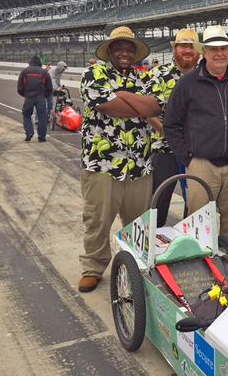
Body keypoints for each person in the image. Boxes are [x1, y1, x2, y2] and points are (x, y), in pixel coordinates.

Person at [78, 26, 163, 293]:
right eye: (119, 48)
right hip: (102, 163)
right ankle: (93, 267)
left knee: (138, 222)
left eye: (129, 49)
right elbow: (106, 105)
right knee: (98, 219)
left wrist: (122, 96)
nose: (125, 53)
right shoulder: (93, 73)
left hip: (139, 163)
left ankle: (136, 265)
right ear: (110, 51)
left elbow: (153, 107)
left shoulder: (146, 77)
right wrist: (135, 103)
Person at [164, 25, 228, 251]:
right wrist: (187, 158)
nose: (219, 53)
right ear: (204, 52)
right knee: (198, 220)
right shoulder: (187, 83)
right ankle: (198, 265)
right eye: (213, 49)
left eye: (223, 48)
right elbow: (171, 123)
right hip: (201, 163)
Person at [148, 29, 200, 227]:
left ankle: (190, 247)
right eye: (183, 46)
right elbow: (150, 113)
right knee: (158, 203)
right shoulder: (158, 75)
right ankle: (153, 246)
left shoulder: (204, 75)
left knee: (195, 205)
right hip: (165, 150)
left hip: (197, 152)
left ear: (199, 51)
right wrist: (170, 135)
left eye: (192, 46)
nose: (188, 50)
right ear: (175, 49)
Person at [17, 56, 53, 142]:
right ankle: (41, 137)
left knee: (26, 115)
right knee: (42, 117)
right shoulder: (44, 72)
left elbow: (20, 88)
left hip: (29, 96)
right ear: (39, 63)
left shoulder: (24, 72)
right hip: (41, 97)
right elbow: (49, 88)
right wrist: (45, 95)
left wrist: (26, 95)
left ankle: (29, 132)